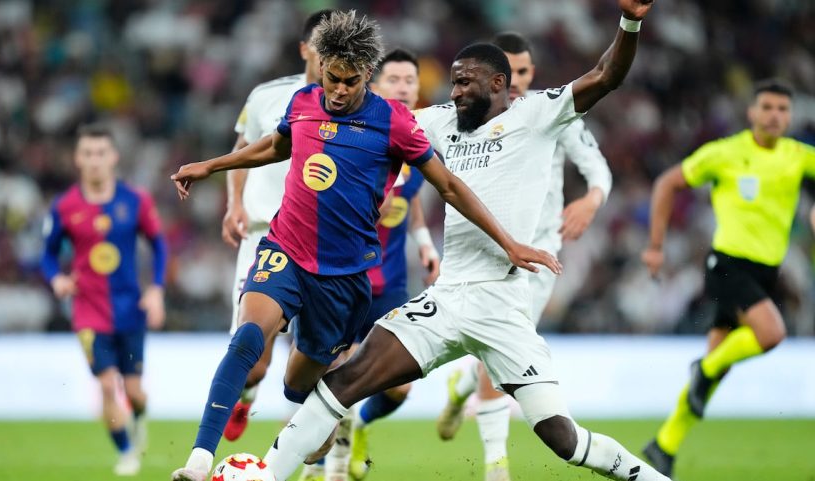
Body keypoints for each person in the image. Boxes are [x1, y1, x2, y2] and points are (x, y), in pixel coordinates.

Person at [261, 3, 670, 481]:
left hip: (503, 303)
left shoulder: (538, 113)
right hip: (448, 297)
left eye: (464, 83)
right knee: (344, 382)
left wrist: (630, 22)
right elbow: (374, 127)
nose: (453, 91)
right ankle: (264, 474)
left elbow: (606, 75)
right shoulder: (440, 121)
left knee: (565, 439)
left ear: (498, 84)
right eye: (453, 82)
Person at [169, 10, 558, 481]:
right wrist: (210, 166)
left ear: (367, 74)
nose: (337, 90)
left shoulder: (393, 122)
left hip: (343, 277)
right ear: (321, 67)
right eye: (331, 78)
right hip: (285, 248)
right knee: (249, 336)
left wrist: (509, 244)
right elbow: (276, 146)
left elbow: (449, 187)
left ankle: (323, 429)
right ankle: (199, 460)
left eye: (349, 82)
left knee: (297, 386)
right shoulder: (303, 101)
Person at [435, 31, 612, 481]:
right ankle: (496, 466)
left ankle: (466, 389)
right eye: (510, 71)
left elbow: (597, 168)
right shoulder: (466, 123)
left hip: (539, 255)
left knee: (498, 355)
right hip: (482, 256)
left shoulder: (548, 113)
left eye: (525, 71)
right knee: (498, 353)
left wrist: (591, 200)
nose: (517, 80)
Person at [640, 80, 815, 477]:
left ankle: (664, 444)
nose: (774, 115)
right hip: (727, 265)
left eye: (782, 109)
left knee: (718, 365)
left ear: (790, 116)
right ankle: (702, 370)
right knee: (771, 334)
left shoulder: (798, 156)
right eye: (767, 107)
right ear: (751, 112)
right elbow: (667, 182)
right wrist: (655, 245)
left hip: (766, 273)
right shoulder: (725, 153)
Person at [221, 8, 333, 446]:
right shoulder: (267, 96)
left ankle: (313, 443)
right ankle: (247, 395)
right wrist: (234, 203)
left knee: (315, 354)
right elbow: (243, 149)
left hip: (322, 242)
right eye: (322, 46)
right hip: (264, 234)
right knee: (255, 360)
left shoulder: (356, 104)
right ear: (305, 49)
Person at [41, 123, 167, 476]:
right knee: (107, 385)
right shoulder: (64, 206)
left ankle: (138, 417)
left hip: (130, 309)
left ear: (113, 157)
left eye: (101, 153)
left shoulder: (135, 200)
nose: (94, 160)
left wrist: (156, 289)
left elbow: (159, 244)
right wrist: (57, 279)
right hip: (88, 311)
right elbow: (48, 254)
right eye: (88, 153)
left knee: (134, 392)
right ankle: (126, 452)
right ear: (77, 159)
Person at [342, 48, 441, 481]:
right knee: (334, 375)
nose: (402, 87)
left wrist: (425, 244)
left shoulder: (418, 146)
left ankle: (360, 427)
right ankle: (324, 463)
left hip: (392, 284)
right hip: (345, 278)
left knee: (399, 388)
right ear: (376, 87)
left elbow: (411, 203)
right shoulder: (357, 138)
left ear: (418, 90)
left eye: (409, 80)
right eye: (394, 79)